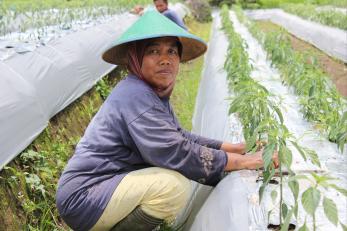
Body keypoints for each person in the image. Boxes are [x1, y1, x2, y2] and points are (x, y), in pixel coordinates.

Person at [56, 10, 278, 231]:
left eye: (172, 51)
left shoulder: (149, 94)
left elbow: (180, 136)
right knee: (172, 187)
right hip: (85, 196)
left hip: (105, 186)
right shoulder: (135, 95)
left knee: (173, 179)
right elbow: (175, 150)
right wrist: (244, 162)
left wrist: (237, 148)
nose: (165, 59)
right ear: (136, 58)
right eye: (154, 51)